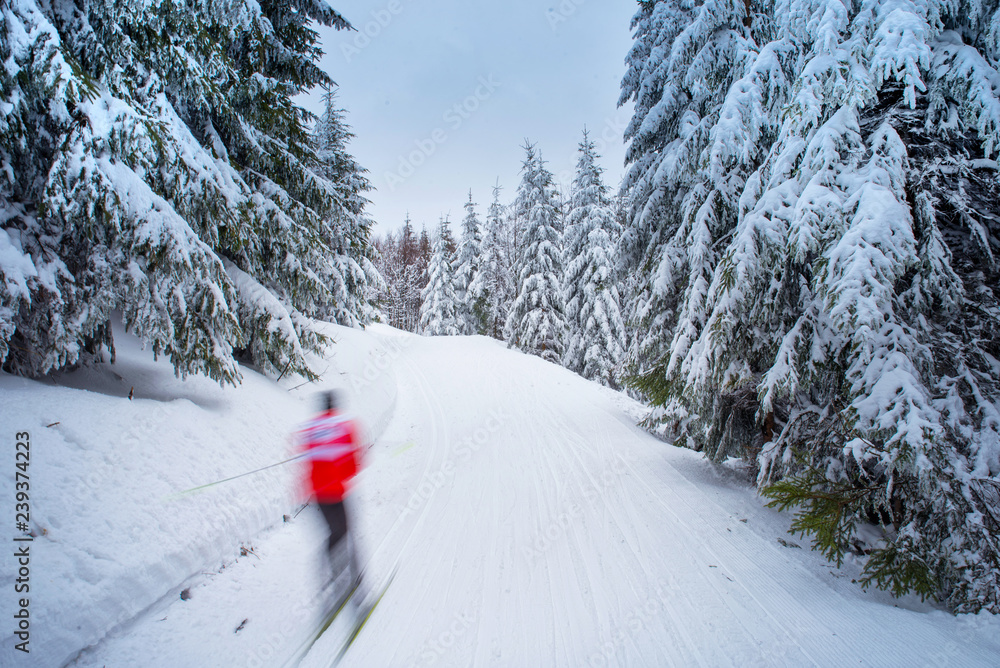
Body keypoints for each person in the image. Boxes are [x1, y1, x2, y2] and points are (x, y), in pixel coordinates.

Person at [299, 390, 364, 610]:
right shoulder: (344, 426)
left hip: (317, 495)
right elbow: (354, 464)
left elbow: (305, 460)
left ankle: (329, 581)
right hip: (336, 492)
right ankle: (356, 588)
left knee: (333, 534)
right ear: (334, 406)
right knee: (348, 533)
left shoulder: (310, 429)